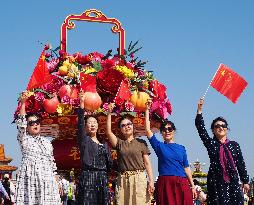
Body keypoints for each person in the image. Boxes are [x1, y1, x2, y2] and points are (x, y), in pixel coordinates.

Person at [195, 98, 249, 205]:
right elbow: (201, 129)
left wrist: (245, 181)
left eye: (223, 125)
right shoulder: (211, 143)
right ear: (213, 130)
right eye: (217, 126)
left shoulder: (234, 145)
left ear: (227, 129)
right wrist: (199, 110)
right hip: (216, 181)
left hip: (233, 181)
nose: (221, 127)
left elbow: (240, 164)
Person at [145, 100, 196, 205]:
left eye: (170, 129)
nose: (167, 131)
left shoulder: (181, 148)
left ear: (174, 131)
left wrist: (192, 186)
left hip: (182, 183)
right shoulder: (159, 146)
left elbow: (186, 168)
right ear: (161, 132)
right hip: (165, 183)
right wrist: (146, 110)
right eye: (164, 129)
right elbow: (148, 130)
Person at [15, 91, 61, 205]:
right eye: (31, 123)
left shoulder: (47, 142)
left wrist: (56, 181)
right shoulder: (24, 139)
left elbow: (52, 163)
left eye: (37, 122)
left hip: (47, 179)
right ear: (27, 126)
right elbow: (21, 124)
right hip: (30, 178)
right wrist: (23, 103)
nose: (35, 124)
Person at [106, 103, 154, 205]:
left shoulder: (141, 142)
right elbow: (109, 132)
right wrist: (109, 113)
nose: (126, 127)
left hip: (139, 178)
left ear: (133, 126)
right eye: (123, 125)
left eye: (129, 124)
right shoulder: (119, 143)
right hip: (123, 180)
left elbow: (147, 163)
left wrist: (151, 181)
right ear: (120, 129)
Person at [76, 91, 113, 205]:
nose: (92, 124)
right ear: (86, 126)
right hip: (88, 177)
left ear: (98, 126)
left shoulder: (104, 143)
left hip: (102, 178)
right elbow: (80, 123)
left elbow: (110, 164)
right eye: (89, 123)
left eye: (94, 122)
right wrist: (82, 104)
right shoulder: (85, 140)